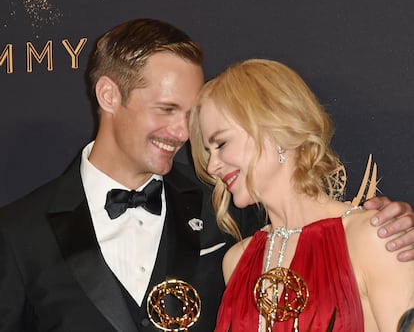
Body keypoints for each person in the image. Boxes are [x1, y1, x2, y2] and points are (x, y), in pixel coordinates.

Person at [0, 19, 412, 332]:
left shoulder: (226, 208)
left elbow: (319, 229)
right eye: (166, 109)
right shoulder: (18, 234)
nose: (182, 135)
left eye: (191, 117)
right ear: (109, 95)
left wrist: (392, 224)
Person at [188, 59, 414, 331]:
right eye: (208, 152)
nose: (212, 166)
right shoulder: (236, 261)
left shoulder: (374, 237)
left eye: (221, 144)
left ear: (274, 128)